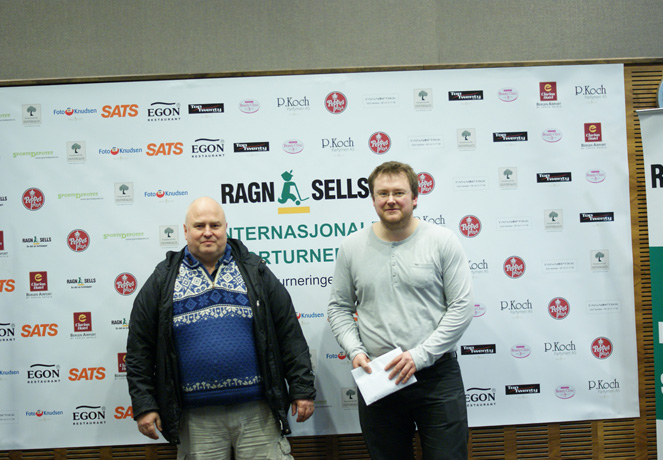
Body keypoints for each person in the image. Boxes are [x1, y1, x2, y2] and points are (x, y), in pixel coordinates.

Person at [126, 196, 316, 460]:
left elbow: (289, 333)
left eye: (214, 225)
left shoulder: (255, 271)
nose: (207, 232)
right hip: (195, 419)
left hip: (258, 412)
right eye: (199, 226)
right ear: (185, 231)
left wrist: (302, 389)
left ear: (225, 228)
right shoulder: (163, 279)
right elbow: (139, 349)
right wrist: (145, 405)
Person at [327, 161, 473, 460]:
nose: (390, 200)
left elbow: (462, 307)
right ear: (373, 199)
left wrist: (419, 356)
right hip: (379, 376)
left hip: (436, 376)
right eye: (383, 193)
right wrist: (355, 350)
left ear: (415, 197)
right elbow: (339, 308)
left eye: (399, 192)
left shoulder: (442, 241)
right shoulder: (352, 246)